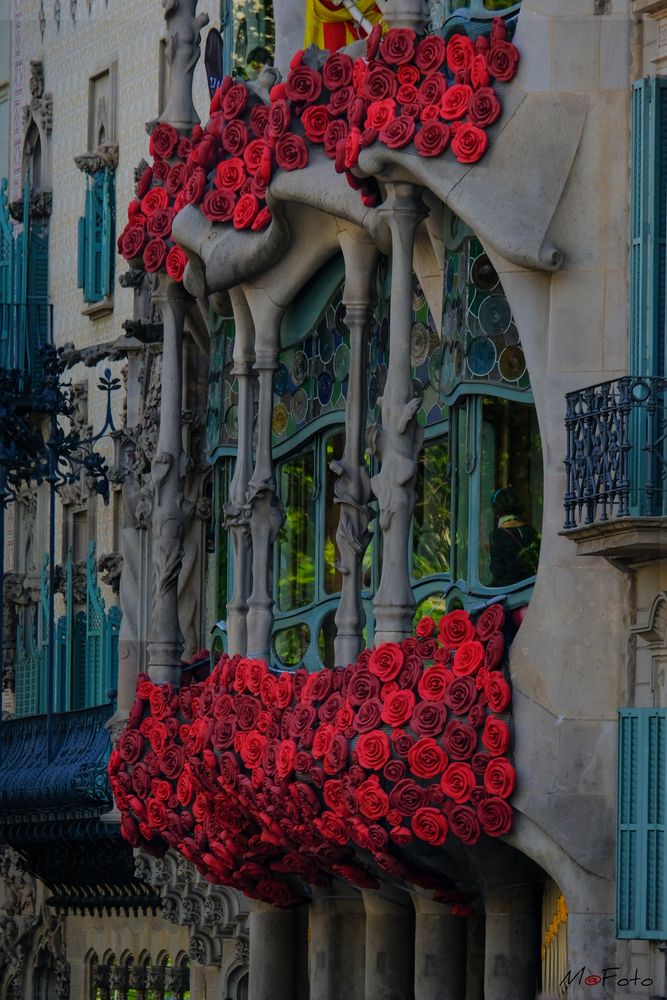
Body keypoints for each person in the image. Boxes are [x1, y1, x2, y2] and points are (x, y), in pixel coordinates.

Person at [489, 487, 540, 587]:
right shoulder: (530, 530)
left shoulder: (497, 535)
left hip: (509, 590)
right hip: (531, 586)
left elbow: (498, 571)